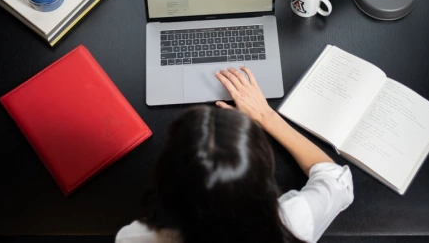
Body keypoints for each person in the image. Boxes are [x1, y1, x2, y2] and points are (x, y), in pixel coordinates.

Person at [116, 66, 353, 243]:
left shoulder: (135, 238)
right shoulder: (293, 222)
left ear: (165, 176)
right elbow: (335, 179)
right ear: (264, 178)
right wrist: (265, 116)